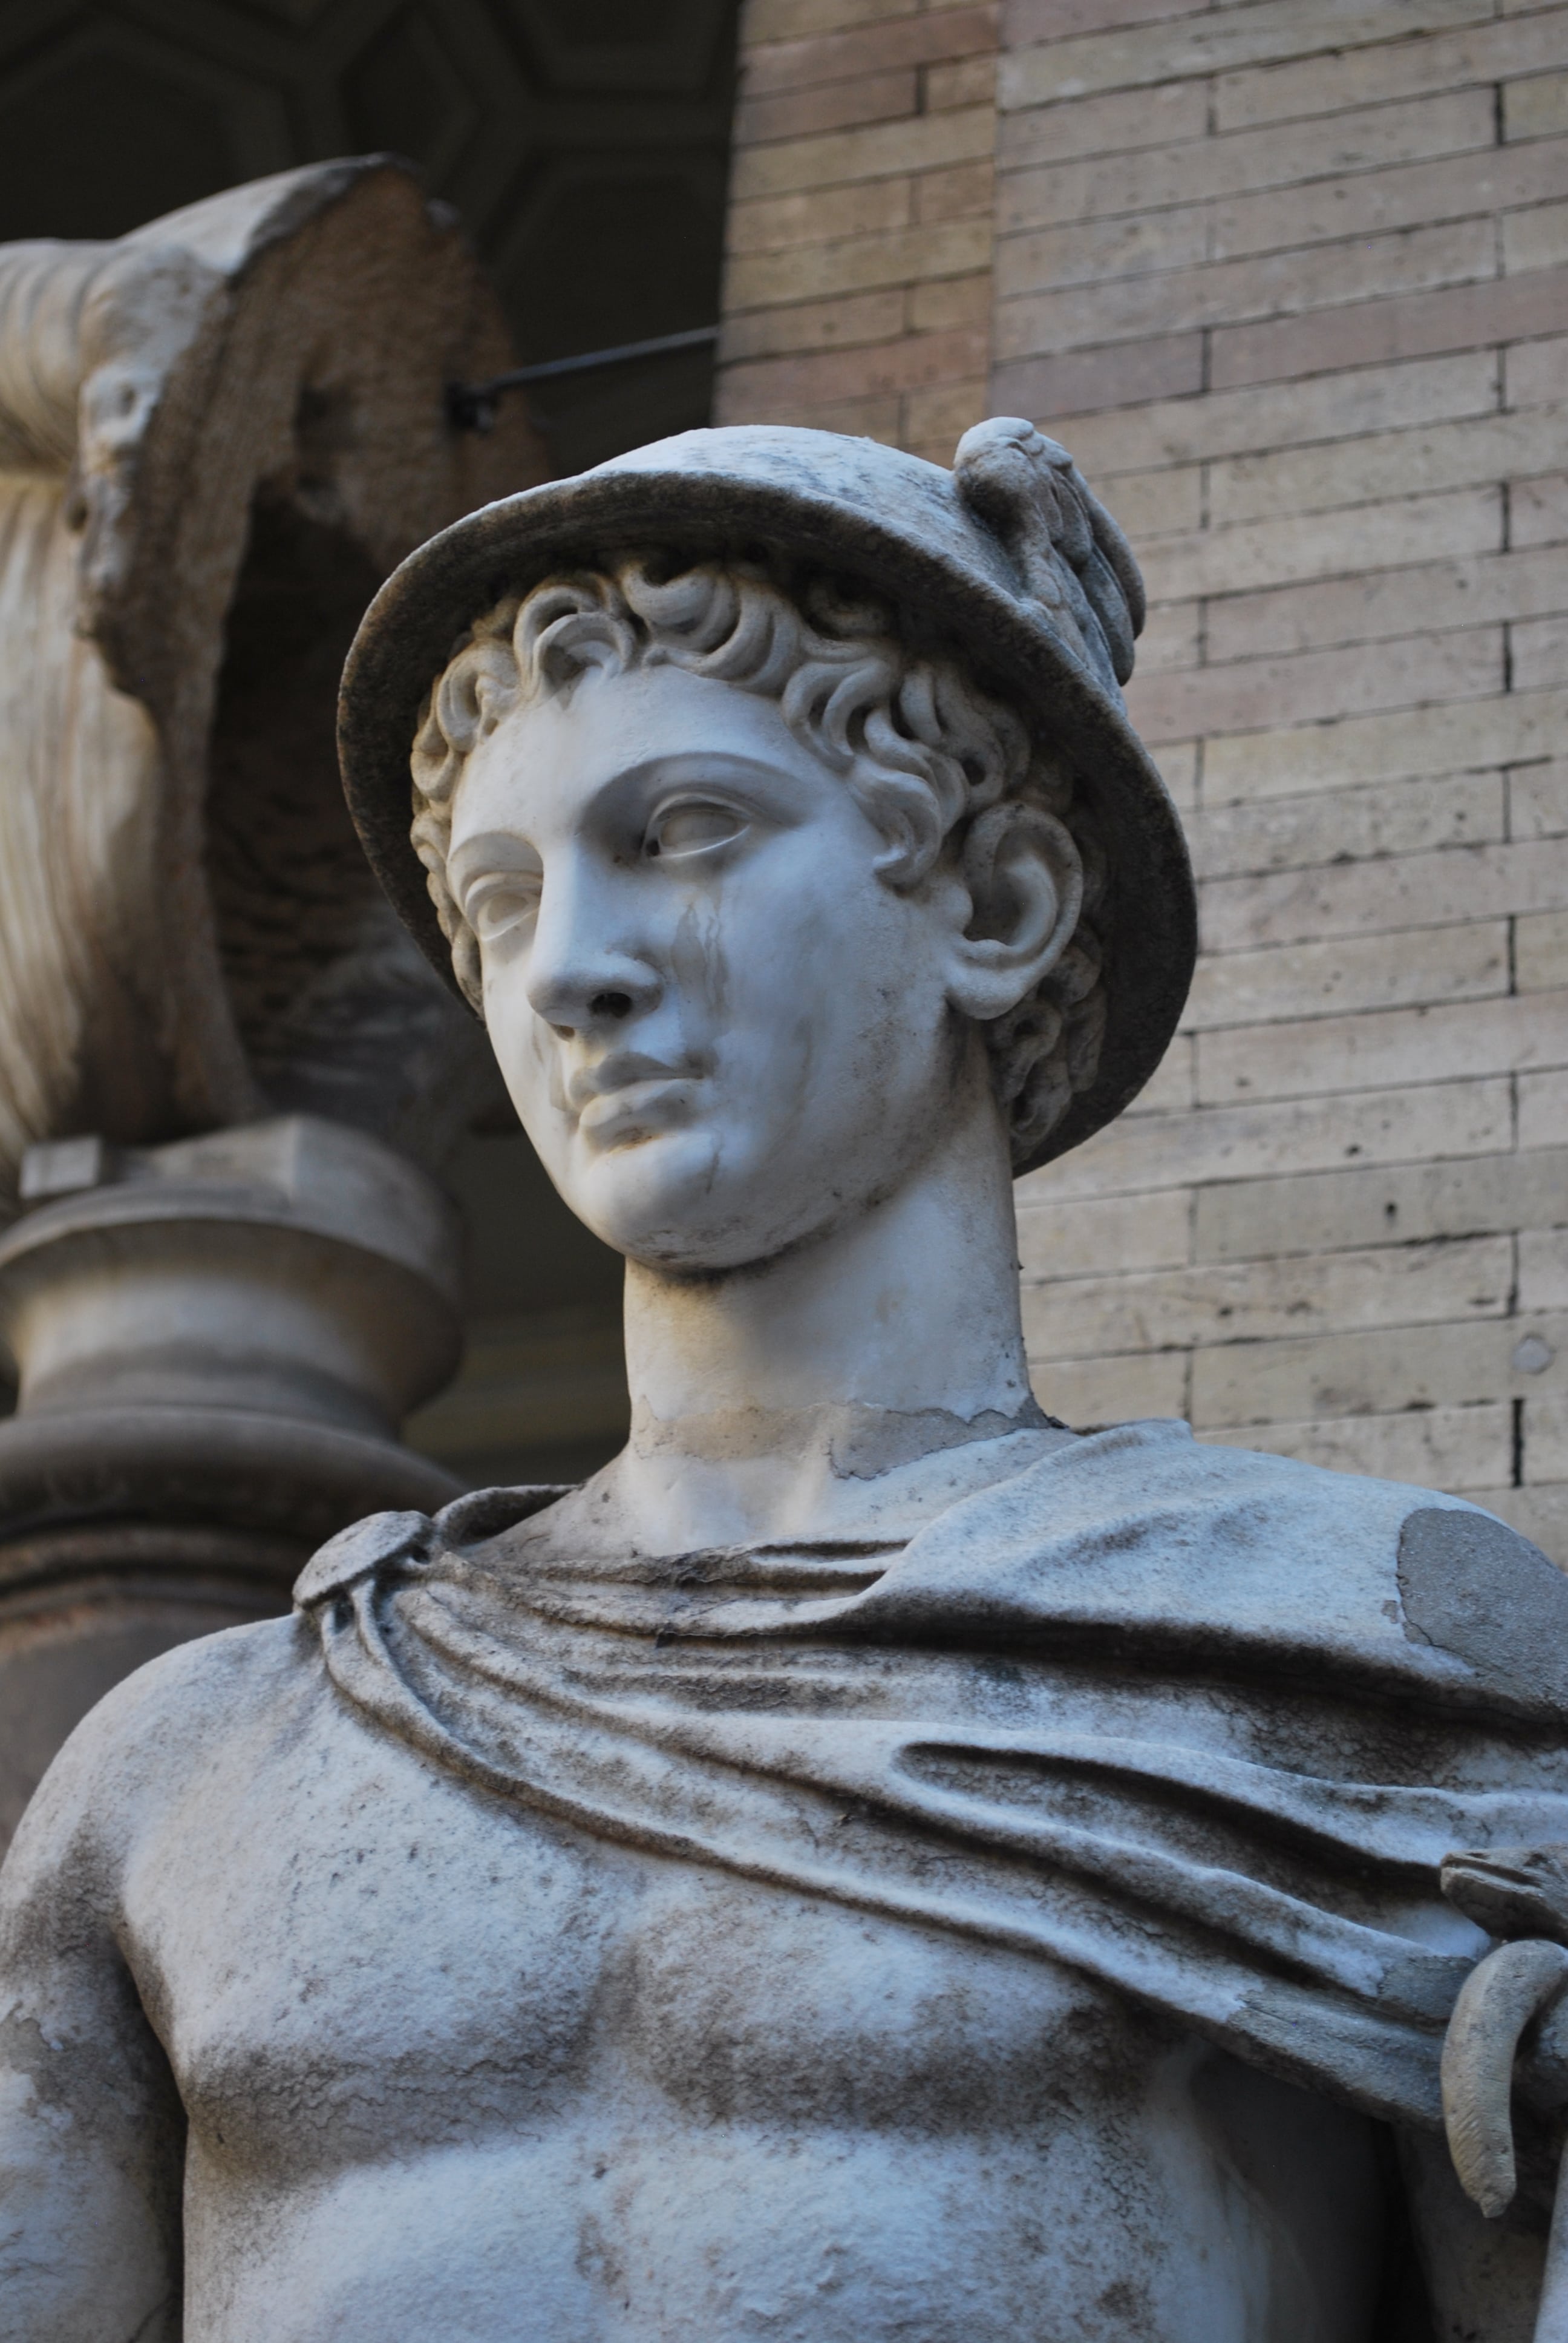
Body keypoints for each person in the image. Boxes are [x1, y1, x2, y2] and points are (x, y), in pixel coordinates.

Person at [4, 418, 1567, 2341]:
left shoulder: (1360, 1651)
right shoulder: (189, 1772)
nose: (568, 970)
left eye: (683, 833)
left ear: (995, 906)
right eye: (502, 898)